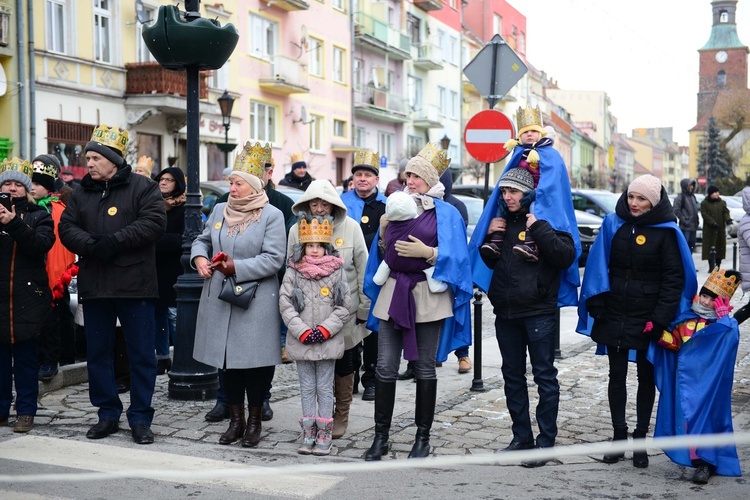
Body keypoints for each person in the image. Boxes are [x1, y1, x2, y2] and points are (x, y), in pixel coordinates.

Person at [363, 142, 473, 460]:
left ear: (430, 181)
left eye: (417, 177)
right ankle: (380, 437)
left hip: (427, 295)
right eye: (408, 175)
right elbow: (383, 254)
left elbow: (458, 256)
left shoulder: (447, 213)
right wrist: (383, 232)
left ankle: (422, 438)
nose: (410, 181)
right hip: (393, 291)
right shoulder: (393, 205)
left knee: (425, 367)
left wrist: (431, 253)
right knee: (384, 366)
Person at [59, 125, 167, 445]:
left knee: (141, 354)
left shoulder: (144, 187)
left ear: (112, 159)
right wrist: (94, 245)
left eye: (94, 157)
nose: (88, 163)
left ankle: (140, 417)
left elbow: (153, 223)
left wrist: (114, 242)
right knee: (99, 353)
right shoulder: (81, 192)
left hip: (135, 285)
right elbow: (67, 227)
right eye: (87, 157)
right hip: (96, 284)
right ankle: (107, 413)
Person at [577, 174, 692, 468]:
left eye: (641, 199)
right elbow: (598, 263)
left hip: (648, 315)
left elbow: (673, 279)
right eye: (631, 197)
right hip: (615, 309)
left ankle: (640, 438)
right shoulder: (613, 223)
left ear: (653, 202)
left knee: (645, 377)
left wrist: (660, 318)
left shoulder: (666, 231)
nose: (634, 203)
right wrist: (597, 302)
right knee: (615, 376)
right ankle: (618, 436)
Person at [471, 168, 577, 467]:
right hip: (506, 312)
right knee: (512, 376)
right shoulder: (503, 222)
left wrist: (539, 227)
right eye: (504, 191)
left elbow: (565, 257)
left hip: (538, 312)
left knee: (544, 376)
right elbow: (491, 262)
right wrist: (492, 236)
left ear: (528, 193)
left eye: (514, 191)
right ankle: (522, 438)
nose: (507, 197)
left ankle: (545, 443)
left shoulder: (546, 218)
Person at [191, 141, 286, 448]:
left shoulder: (271, 215)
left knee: (255, 365)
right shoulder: (219, 209)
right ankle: (235, 421)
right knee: (227, 362)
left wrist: (236, 267)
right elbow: (202, 240)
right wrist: (200, 258)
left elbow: (274, 258)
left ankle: (255, 422)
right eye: (231, 182)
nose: (231, 188)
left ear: (254, 185)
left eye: (238, 183)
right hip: (220, 297)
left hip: (255, 299)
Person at [288, 179, 371, 439]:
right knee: (315, 365)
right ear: (307, 204)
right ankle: (316, 417)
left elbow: (363, 269)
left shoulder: (352, 228)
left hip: (343, 311)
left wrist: (364, 310)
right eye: (315, 203)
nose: (320, 208)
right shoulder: (296, 231)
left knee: (345, 364)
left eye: (325, 203)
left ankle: (341, 414)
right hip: (308, 314)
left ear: (334, 204)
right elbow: (289, 268)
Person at [649, 268, 743, 485]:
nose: (707, 302)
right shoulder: (685, 320)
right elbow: (675, 344)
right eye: (705, 296)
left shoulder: (723, 325)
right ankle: (694, 458)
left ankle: (706, 463)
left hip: (709, 386)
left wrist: (724, 322)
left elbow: (730, 342)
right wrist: (657, 334)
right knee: (688, 421)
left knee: (707, 421)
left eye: (713, 299)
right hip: (686, 384)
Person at [280, 214, 351, 455]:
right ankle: (309, 431)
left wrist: (324, 330)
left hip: (327, 340)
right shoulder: (293, 271)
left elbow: (343, 306)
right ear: (302, 247)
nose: (315, 250)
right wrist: (301, 331)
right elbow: (285, 303)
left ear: (327, 247)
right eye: (310, 245)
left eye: (320, 246)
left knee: (324, 387)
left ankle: (325, 433)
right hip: (302, 340)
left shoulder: (336, 272)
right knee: (307, 386)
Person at [0, 157, 55, 432]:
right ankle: (0, 410)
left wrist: (13, 224)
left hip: (28, 300)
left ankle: (26, 411)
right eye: (6, 183)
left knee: (25, 361)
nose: (11, 189)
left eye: (16, 184)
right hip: (0, 300)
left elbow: (40, 245)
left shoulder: (39, 216)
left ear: (26, 189)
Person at [480, 106, 556, 262]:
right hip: (503, 283)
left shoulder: (550, 154)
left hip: (537, 195)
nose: (529, 134)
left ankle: (530, 244)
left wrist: (537, 193)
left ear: (540, 133)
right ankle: (496, 241)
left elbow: (553, 180)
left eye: (533, 131)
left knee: (534, 212)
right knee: (500, 206)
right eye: (525, 132)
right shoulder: (519, 151)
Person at [341, 149, 387, 401]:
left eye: (367, 175)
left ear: (376, 180)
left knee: (373, 328)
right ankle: (351, 378)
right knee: (349, 326)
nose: (362, 179)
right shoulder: (342, 203)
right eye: (358, 174)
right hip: (347, 274)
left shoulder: (387, 205)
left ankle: (372, 377)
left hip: (377, 275)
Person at [30, 157, 77, 381]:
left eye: (37, 184)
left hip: (54, 271)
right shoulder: (26, 208)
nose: (32, 187)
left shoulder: (58, 207)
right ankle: (39, 358)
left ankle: (54, 359)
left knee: (55, 316)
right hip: (32, 272)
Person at [153, 167, 186, 375]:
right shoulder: (152, 204)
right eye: (161, 179)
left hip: (175, 269)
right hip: (154, 268)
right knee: (158, 314)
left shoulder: (185, 207)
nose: (163, 183)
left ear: (178, 184)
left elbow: (184, 239)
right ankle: (162, 357)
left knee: (176, 316)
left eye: (169, 180)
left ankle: (183, 356)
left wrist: (156, 240)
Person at [700, 185, 731, 270]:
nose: (717, 194)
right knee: (710, 247)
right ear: (710, 194)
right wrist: (712, 222)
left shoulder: (722, 203)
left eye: (717, 192)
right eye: (715, 192)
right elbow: (704, 214)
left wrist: (728, 220)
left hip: (720, 229)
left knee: (720, 247)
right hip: (709, 229)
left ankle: (718, 264)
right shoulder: (705, 203)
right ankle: (711, 266)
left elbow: (725, 212)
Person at [672, 178, 700, 253]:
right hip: (686, 227)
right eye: (690, 185)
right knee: (684, 247)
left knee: (691, 246)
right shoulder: (681, 197)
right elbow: (676, 210)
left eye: (692, 185)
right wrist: (684, 220)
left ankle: (688, 263)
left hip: (693, 226)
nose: (692, 187)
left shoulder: (692, 197)